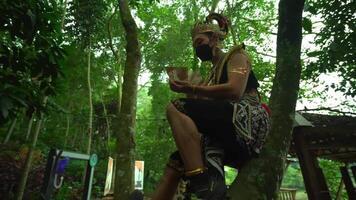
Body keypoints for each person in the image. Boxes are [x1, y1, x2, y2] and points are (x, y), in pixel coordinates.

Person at [152, 13, 270, 200]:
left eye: (199, 42)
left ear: (214, 38)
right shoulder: (210, 76)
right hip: (223, 127)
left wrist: (194, 88)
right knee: (175, 163)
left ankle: (201, 179)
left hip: (247, 120)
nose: (197, 48)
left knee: (175, 106)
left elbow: (235, 91)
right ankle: (209, 184)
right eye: (194, 45)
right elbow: (204, 113)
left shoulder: (237, 56)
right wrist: (192, 91)